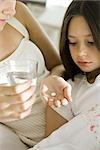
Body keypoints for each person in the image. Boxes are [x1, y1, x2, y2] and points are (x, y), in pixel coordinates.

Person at [32, 0, 100, 149]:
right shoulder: (66, 89)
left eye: (91, 42)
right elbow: (49, 144)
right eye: (72, 42)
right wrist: (55, 77)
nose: (81, 52)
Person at [0, 1, 61, 150]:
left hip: (70, 114)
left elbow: (58, 65)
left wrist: (54, 78)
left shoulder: (18, 13)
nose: (11, 10)